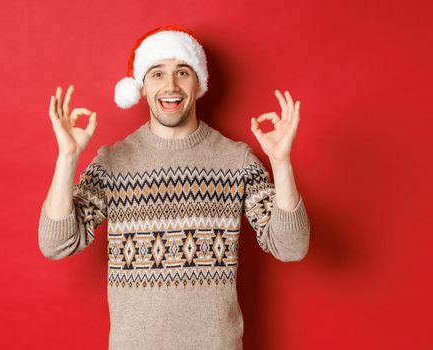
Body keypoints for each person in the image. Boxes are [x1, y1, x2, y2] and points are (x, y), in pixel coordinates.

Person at [38, 24, 310, 350]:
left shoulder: (235, 160)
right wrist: (67, 158)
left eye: (182, 72)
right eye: (157, 74)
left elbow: (291, 247)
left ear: (198, 83)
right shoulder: (113, 162)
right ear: (141, 86)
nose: (170, 85)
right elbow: (56, 243)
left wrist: (281, 164)